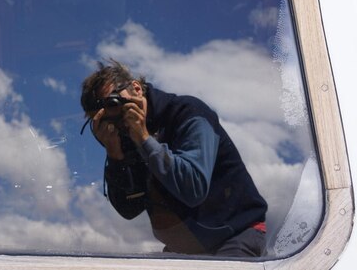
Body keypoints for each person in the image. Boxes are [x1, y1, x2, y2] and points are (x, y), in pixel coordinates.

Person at [80, 59, 268, 256]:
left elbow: (193, 188)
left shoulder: (187, 113)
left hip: (234, 237)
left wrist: (144, 139)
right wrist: (115, 155)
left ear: (136, 89)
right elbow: (129, 209)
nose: (115, 120)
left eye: (113, 104)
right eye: (102, 117)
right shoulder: (126, 138)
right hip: (187, 250)